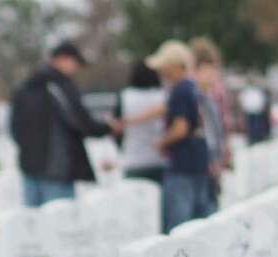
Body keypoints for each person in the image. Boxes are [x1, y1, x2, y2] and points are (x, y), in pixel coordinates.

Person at [10, 40, 119, 207]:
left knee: (33, 225)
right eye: (75, 63)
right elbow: (80, 121)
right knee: (60, 224)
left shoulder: (25, 87)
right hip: (57, 168)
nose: (76, 69)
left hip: (29, 167)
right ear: (62, 59)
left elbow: (14, 128)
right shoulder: (59, 86)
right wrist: (107, 127)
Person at [147, 40, 212, 233]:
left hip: (182, 165)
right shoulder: (193, 87)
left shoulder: (180, 90)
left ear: (174, 66)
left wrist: (160, 142)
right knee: (198, 224)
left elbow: (180, 128)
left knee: (179, 226)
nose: (161, 72)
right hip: (198, 162)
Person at [190, 37, 229, 209]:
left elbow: (221, 125)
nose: (215, 74)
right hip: (202, 162)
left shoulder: (213, 94)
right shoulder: (194, 95)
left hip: (213, 160)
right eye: (211, 68)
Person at [118, 60, 166, 184]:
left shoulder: (125, 96)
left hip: (134, 160)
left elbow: (117, 127)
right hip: (160, 160)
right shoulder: (163, 96)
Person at [240, 78, 267, 144]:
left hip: (257, 111)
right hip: (249, 111)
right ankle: (251, 138)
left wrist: (260, 107)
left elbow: (261, 100)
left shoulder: (257, 91)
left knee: (257, 125)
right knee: (250, 126)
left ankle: (258, 137)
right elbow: (243, 100)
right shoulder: (246, 91)